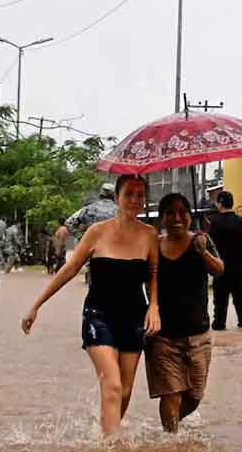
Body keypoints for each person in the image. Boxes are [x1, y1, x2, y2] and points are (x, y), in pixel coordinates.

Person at [20, 174, 160, 436]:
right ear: (117, 197)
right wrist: (36, 305)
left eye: (140, 195)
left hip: (134, 317)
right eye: (128, 193)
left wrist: (154, 307)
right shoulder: (97, 232)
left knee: (126, 391)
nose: (134, 200)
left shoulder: (150, 235)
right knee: (113, 385)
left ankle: (107, 432)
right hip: (99, 316)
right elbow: (70, 269)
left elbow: (153, 274)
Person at [147, 193, 224, 432]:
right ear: (162, 219)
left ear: (190, 216)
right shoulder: (154, 247)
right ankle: (170, 447)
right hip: (163, 337)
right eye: (170, 213)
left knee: (194, 396)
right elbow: (148, 281)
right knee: (171, 394)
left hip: (198, 335)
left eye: (183, 212)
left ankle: (167, 429)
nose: (177, 218)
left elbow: (219, 270)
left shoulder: (201, 241)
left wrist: (202, 252)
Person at [208, 191, 242, 330]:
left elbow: (210, 245)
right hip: (239, 266)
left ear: (220, 203)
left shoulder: (215, 222)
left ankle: (219, 323)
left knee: (220, 299)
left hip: (220, 267)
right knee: (241, 297)